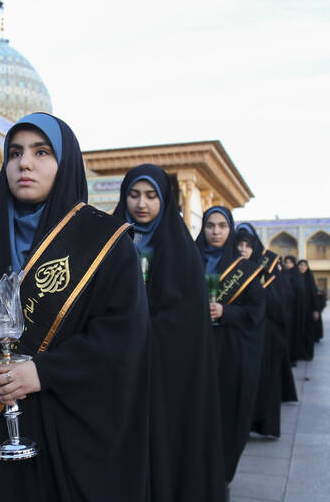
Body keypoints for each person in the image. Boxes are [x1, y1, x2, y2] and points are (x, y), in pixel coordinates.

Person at [0, 113, 153, 501]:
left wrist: (43, 372)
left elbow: (122, 338)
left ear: (65, 163)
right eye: (15, 153)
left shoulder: (106, 242)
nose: (25, 164)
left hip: (67, 434)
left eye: (41, 152)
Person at [112, 164, 225, 502]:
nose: (141, 204)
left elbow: (186, 321)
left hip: (164, 373)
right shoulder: (109, 242)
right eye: (134, 195)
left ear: (165, 199)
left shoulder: (180, 250)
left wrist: (141, 329)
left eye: (151, 196)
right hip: (112, 366)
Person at [195, 206, 265, 489]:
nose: (215, 232)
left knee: (225, 412)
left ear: (230, 230)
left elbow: (256, 312)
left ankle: (220, 472)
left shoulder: (244, 269)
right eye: (210, 225)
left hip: (229, 352)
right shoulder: (189, 260)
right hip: (193, 351)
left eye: (222, 226)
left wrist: (227, 312)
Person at [235, 224, 297, 439]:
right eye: (239, 244)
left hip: (266, 334)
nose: (242, 249)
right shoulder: (230, 266)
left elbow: (282, 302)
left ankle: (262, 423)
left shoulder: (268, 268)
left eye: (247, 244)